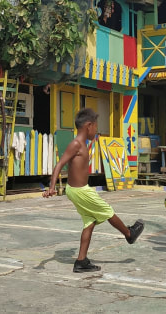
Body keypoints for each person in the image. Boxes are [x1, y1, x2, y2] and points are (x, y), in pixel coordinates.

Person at [43, 108, 144, 272]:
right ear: (88, 126)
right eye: (96, 127)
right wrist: (52, 187)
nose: (97, 131)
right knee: (108, 211)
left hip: (78, 190)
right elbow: (59, 164)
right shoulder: (76, 144)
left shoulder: (82, 144)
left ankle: (81, 261)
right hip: (80, 191)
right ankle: (129, 234)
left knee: (89, 222)